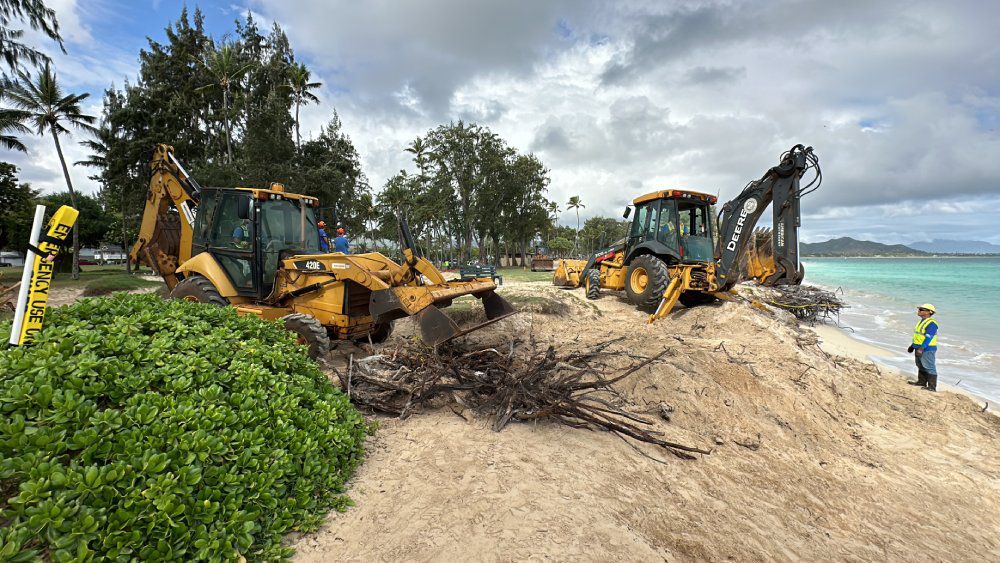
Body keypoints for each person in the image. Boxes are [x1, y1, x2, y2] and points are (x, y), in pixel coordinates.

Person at [907, 303, 940, 391]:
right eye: (919, 309)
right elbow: (918, 336)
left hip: (927, 349)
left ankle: (932, 387)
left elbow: (929, 337)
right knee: (920, 365)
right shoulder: (921, 322)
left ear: (929, 312)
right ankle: (921, 382)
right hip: (919, 347)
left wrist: (922, 348)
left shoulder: (932, 324)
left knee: (929, 367)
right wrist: (913, 346)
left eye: (922, 309)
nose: (919, 311)